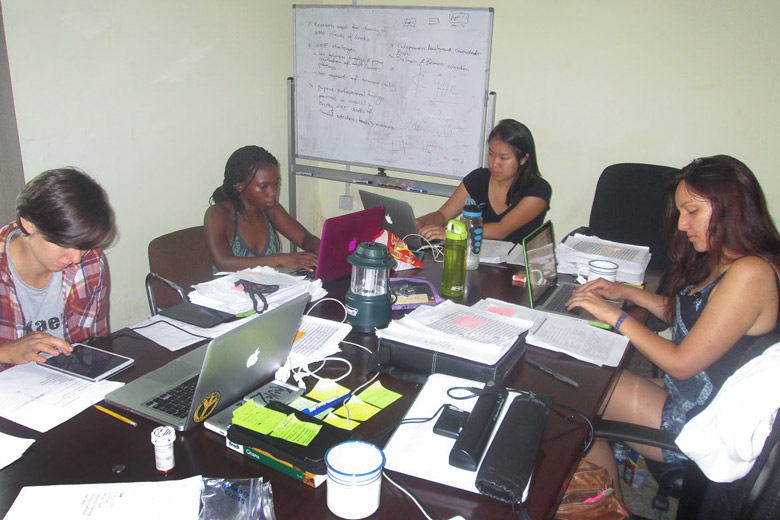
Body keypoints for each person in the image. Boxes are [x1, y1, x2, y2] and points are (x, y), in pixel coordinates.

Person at [566, 155, 780, 498]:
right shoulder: (730, 259)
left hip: (700, 420)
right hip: (692, 394)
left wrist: (614, 316)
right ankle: (603, 488)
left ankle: (603, 504)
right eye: (681, 212)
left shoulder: (751, 273)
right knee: (590, 379)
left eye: (692, 211)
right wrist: (625, 292)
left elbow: (682, 362)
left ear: (731, 207)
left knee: (576, 397)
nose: (682, 224)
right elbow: (694, 317)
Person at [0, 168, 113, 372]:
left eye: (83, 246)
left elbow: (94, 344)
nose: (76, 258)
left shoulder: (90, 261)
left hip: (66, 387)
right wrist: (6, 352)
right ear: (29, 224)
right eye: (64, 244)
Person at [415, 119, 552, 244]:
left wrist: (452, 233)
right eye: (491, 154)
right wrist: (421, 222)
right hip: (477, 259)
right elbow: (443, 215)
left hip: (517, 266)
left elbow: (501, 230)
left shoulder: (538, 189)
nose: (495, 164)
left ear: (523, 159)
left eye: (504, 158)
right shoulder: (478, 178)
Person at [204, 145, 320, 272]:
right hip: (229, 290)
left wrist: (316, 246)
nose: (273, 192)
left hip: (269, 289)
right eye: (263, 186)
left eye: (276, 184)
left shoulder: (270, 208)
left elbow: (304, 238)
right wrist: (278, 259)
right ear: (240, 187)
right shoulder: (218, 214)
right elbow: (224, 262)